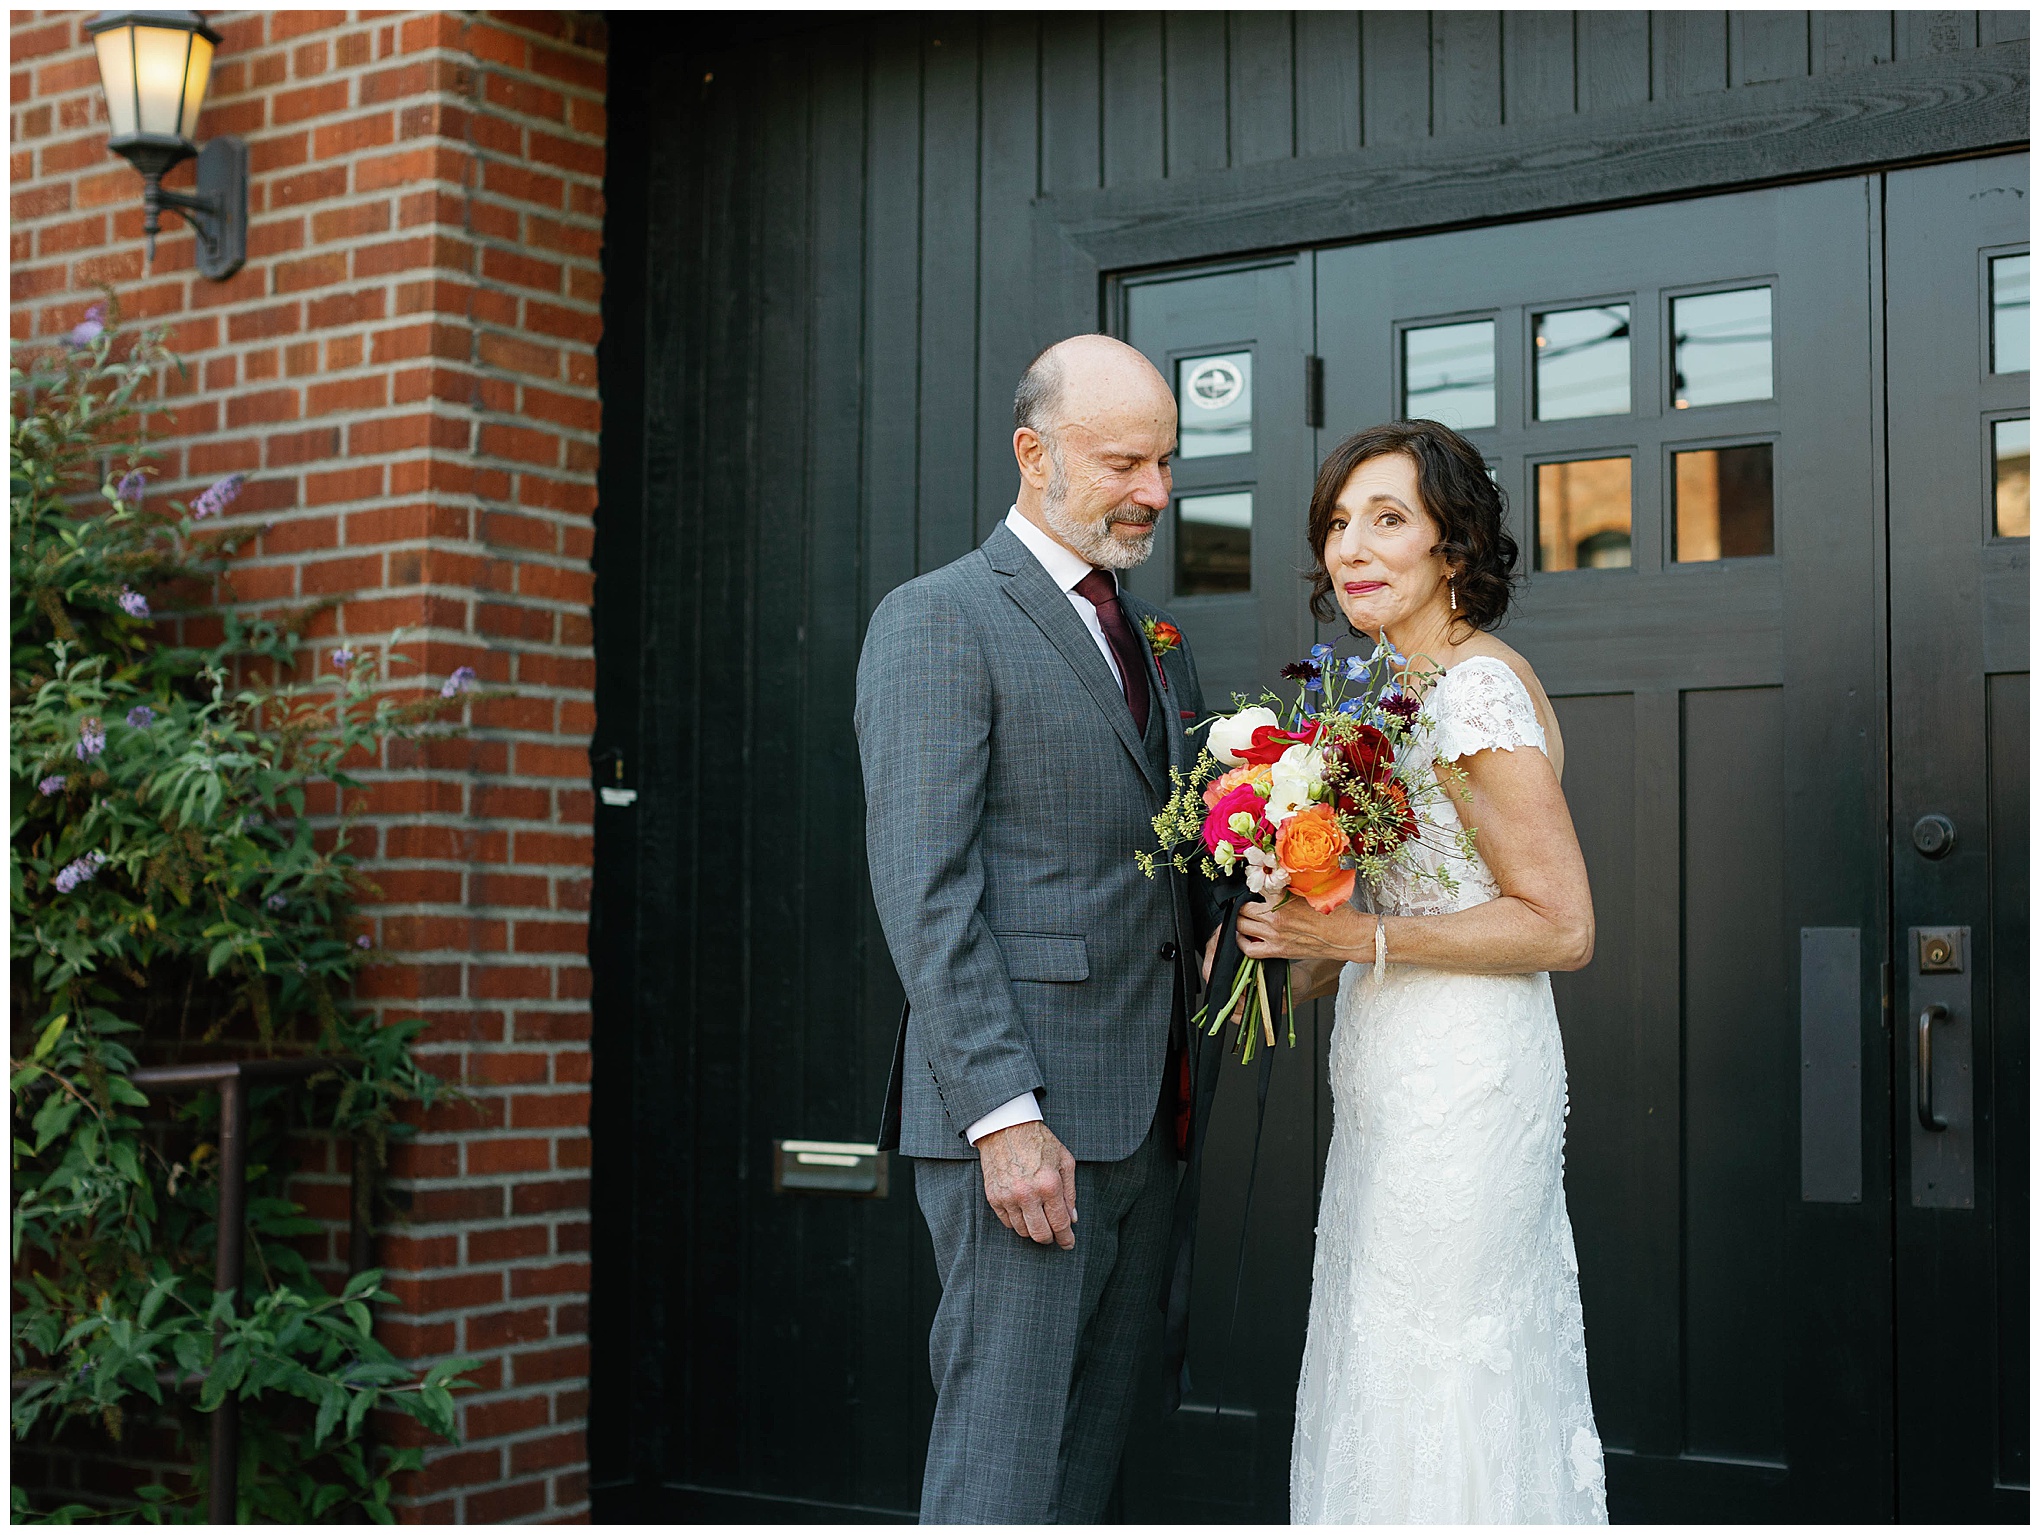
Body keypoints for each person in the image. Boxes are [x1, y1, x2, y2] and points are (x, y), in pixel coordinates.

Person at [856, 334, 1214, 1523]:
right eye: (1125, 461)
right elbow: (927, 886)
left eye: (1164, 461)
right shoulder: (938, 620)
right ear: (1033, 452)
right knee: (999, 1470)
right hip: (1027, 1132)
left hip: (1148, 1123)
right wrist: (1004, 1121)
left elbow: (1170, 866)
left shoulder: (1156, 642)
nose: (1155, 492)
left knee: (1085, 1466)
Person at [1230, 420, 1609, 1522]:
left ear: (1454, 545)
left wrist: (1354, 941)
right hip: (1387, 1072)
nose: (1354, 545)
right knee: (1378, 1362)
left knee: (1444, 1374)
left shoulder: (1473, 691)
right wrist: (1274, 926)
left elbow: (1561, 923)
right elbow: (1365, 912)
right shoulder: (1387, 695)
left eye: (1389, 518)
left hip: (1465, 1085)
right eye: (1340, 522)